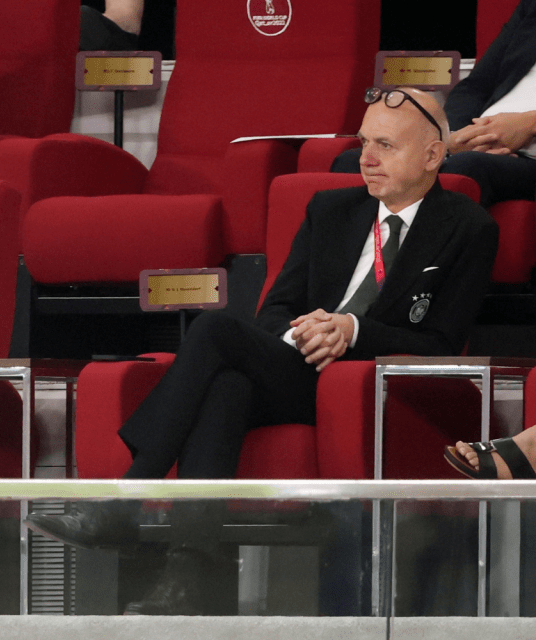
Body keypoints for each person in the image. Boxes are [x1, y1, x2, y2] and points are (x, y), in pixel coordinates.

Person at [27, 87, 500, 615]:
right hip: (296, 366)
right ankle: (187, 575)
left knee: (214, 340)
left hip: (364, 388)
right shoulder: (330, 209)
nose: (366, 158)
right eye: (364, 142)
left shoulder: (468, 228)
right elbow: (274, 311)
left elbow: (439, 344)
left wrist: (352, 329)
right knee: (228, 382)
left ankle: (131, 499)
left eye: (385, 146)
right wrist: (305, 334)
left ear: (433, 156)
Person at [332, 0, 536, 208]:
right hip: (476, 141)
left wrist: (530, 124)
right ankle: (370, 241)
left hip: (527, 156)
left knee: (467, 168)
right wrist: (451, 137)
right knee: (353, 162)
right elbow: (476, 86)